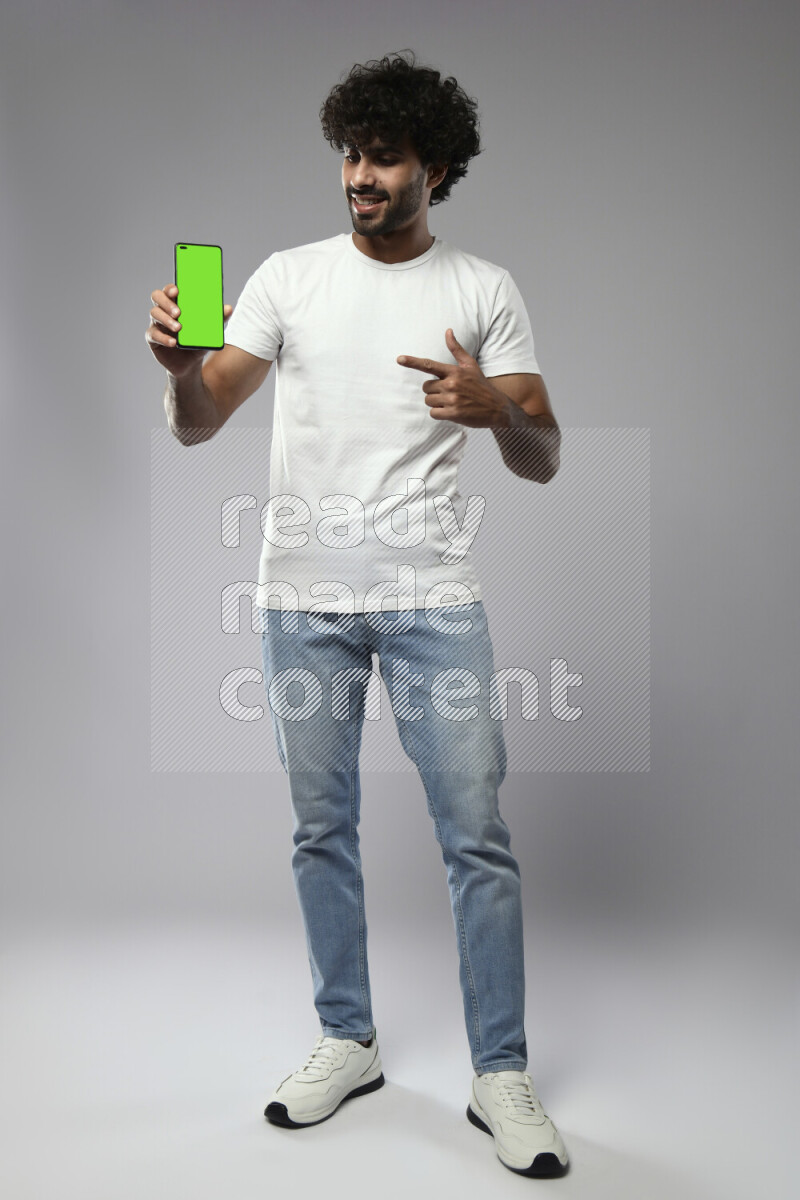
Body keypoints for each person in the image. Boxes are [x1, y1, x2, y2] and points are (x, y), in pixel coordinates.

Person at [146, 50, 569, 1179]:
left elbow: (543, 457)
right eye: (349, 153)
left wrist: (491, 410)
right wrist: (183, 370)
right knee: (318, 831)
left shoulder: (483, 289)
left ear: (436, 165)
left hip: (433, 602)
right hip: (301, 601)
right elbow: (197, 424)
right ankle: (348, 1039)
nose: (360, 174)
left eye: (383, 157)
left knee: (475, 834)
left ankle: (498, 1072)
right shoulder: (288, 278)